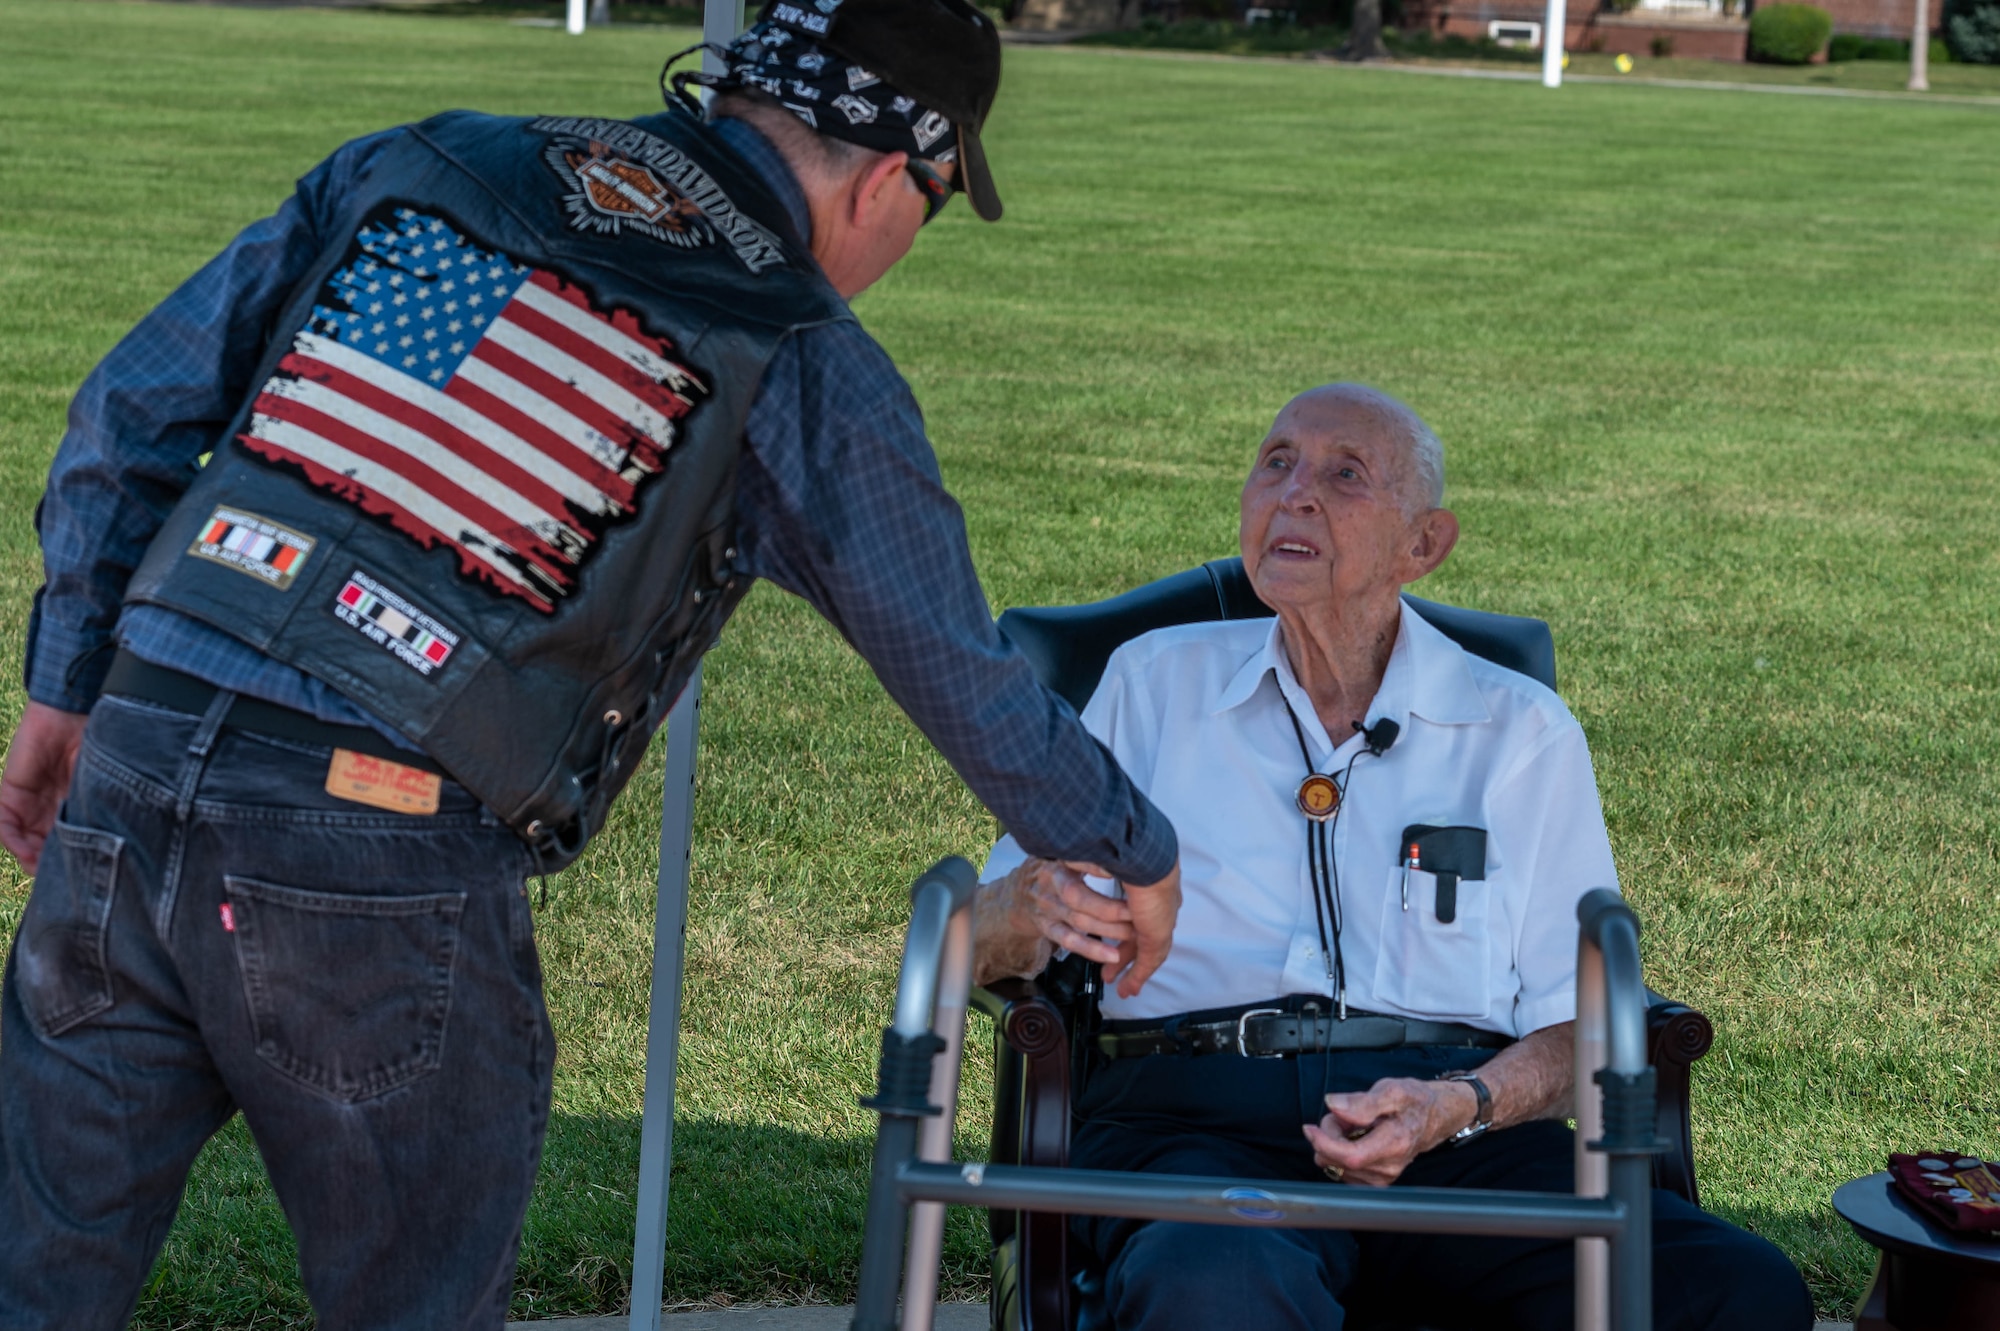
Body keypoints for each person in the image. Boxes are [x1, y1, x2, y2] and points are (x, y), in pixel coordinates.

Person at [0, 3, 1186, 1327]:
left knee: (32, 1261)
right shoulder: (795, 350)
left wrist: (64, 687)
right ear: (888, 179)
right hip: (375, 841)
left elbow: (131, 410)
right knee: (418, 1298)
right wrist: (1125, 842)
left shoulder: (432, 157)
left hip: (143, 735)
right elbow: (949, 656)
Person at [973, 384, 1814, 1330]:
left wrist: (1457, 1103)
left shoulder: (1516, 730)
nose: (1295, 494)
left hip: (1454, 1139)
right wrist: (1023, 903)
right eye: (1276, 461)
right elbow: (978, 938)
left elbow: (1589, 1027)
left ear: (1425, 544)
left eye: (1345, 475)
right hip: (1194, 1129)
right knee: (1217, 1282)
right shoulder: (1153, 683)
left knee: (1734, 1289)